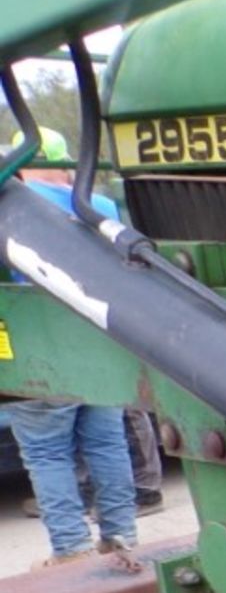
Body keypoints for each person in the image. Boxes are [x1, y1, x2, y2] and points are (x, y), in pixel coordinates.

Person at [4, 129, 141, 562]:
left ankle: (72, 550)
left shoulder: (10, 205)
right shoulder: (98, 205)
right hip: (99, 339)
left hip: (34, 346)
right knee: (106, 441)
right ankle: (122, 537)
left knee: (46, 452)